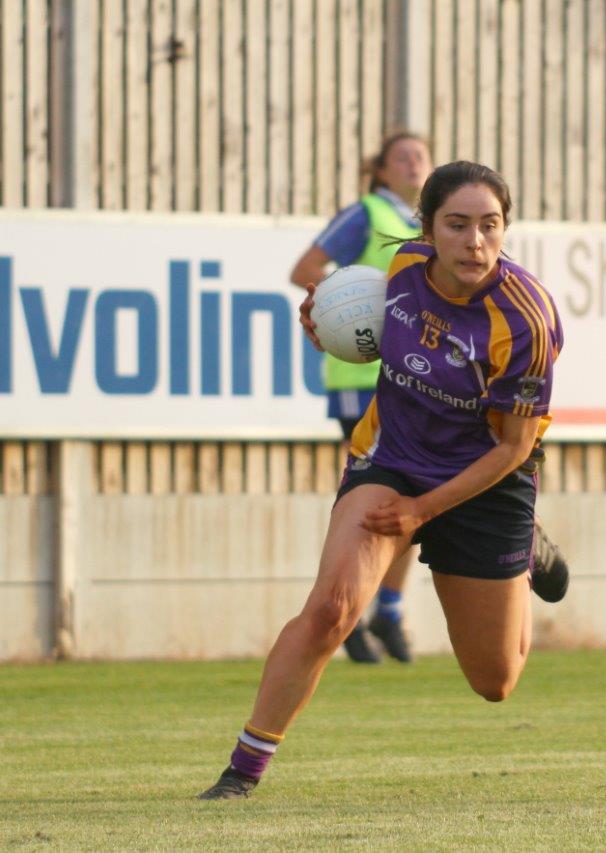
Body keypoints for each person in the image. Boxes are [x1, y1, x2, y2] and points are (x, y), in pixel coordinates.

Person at [199, 161, 567, 799]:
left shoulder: (526, 320)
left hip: (487, 477)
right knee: (331, 611)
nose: (474, 241)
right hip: (389, 460)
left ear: (506, 230)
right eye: (457, 225)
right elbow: (343, 309)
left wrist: (425, 512)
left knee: (495, 681)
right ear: (425, 229)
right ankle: (242, 772)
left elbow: (514, 447)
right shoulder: (399, 271)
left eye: (490, 225)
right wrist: (324, 319)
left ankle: (524, 547)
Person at [289, 134, 571, 664]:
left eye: (421, 155)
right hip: (372, 384)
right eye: (403, 156)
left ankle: (394, 601)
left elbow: (512, 440)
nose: (414, 162)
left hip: (458, 404)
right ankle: (362, 607)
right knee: (390, 496)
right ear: (383, 170)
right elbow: (307, 270)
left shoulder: (510, 302)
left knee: (496, 676)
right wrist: (337, 311)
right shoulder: (367, 216)